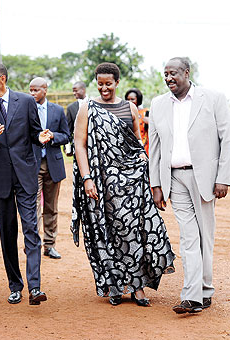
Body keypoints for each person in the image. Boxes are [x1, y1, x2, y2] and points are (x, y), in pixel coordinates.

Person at [72, 62, 175, 307]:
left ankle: (138, 288)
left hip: (131, 182)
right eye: (100, 84)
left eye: (108, 84)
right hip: (101, 183)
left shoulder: (129, 107)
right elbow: (79, 144)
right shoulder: (87, 108)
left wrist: (144, 162)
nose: (104, 88)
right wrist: (87, 178)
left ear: (117, 83)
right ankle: (115, 285)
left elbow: (137, 142)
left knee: (134, 231)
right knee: (109, 232)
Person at [149, 57, 230, 314]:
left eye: (173, 73)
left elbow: (226, 138)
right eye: (165, 74)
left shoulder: (214, 98)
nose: (169, 78)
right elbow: (156, 148)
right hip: (174, 178)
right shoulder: (158, 104)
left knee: (205, 234)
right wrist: (156, 184)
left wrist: (223, 177)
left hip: (205, 177)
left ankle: (205, 290)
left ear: (187, 72)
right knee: (188, 236)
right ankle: (193, 296)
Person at [0, 63, 51, 305]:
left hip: (26, 177)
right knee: (7, 234)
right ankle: (15, 285)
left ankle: (35, 287)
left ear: (3, 79)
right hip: (0, 180)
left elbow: (35, 133)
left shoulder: (26, 102)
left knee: (31, 231)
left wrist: (41, 137)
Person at [29, 77, 69, 259]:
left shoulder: (58, 110)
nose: (32, 93)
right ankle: (34, 245)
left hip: (53, 163)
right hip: (33, 165)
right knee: (34, 206)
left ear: (45, 90)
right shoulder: (26, 109)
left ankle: (50, 245)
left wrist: (53, 136)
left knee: (51, 207)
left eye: (36, 90)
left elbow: (66, 136)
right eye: (30, 90)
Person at [65, 81, 88, 156]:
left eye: (76, 90)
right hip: (78, 146)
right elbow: (69, 129)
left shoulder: (94, 103)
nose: (74, 93)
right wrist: (67, 148)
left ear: (83, 90)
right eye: (73, 91)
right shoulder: (71, 108)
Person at [125, 88, 149, 155]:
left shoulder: (145, 112)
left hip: (144, 145)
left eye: (132, 99)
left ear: (138, 99)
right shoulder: (124, 113)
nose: (130, 101)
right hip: (129, 146)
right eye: (128, 99)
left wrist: (150, 123)